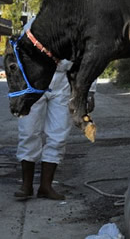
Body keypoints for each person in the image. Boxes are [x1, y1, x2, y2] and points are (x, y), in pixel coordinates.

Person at [14, 20, 97, 201]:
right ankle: (26, 185)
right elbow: (19, 54)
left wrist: (90, 91)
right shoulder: (33, 25)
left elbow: (88, 57)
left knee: (58, 135)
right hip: (34, 82)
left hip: (63, 84)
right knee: (28, 132)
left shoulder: (79, 27)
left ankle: (46, 186)